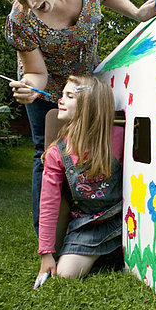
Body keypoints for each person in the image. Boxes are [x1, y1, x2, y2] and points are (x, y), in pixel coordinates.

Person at [0, 0, 156, 233]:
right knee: (45, 151)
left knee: (90, 146)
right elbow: (37, 72)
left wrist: (137, 13)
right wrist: (28, 88)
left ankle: (94, 221)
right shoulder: (22, 19)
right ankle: (47, 234)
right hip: (45, 90)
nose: (30, 3)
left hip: (83, 82)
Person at [34, 75, 123, 287]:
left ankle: (113, 253)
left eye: (69, 96)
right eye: (62, 95)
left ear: (89, 106)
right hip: (88, 225)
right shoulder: (57, 153)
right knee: (65, 274)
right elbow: (48, 204)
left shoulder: (121, 137)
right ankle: (103, 254)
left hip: (124, 219)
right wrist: (46, 253)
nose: (60, 100)